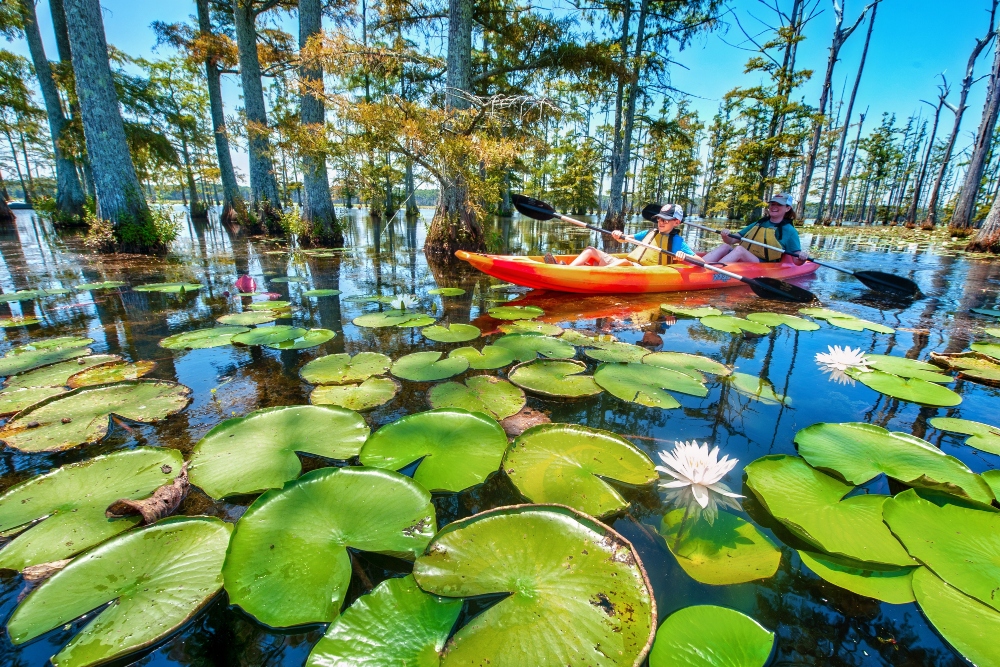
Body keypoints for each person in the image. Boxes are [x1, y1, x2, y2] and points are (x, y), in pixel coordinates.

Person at [544, 204, 694, 267]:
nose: (661, 222)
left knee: (624, 262)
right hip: (627, 264)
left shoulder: (676, 241)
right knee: (590, 250)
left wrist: (684, 256)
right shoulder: (650, 232)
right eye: (659, 219)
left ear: (676, 222)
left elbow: (698, 260)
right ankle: (568, 269)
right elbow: (628, 238)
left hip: (643, 270)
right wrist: (619, 235)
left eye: (665, 220)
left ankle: (592, 273)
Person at [701, 194, 809, 264]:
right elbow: (732, 240)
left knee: (739, 250)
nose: (774, 207)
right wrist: (725, 236)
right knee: (725, 246)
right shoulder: (759, 223)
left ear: (787, 208)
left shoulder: (790, 231)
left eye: (779, 205)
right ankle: (697, 264)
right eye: (772, 204)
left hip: (764, 263)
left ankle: (713, 272)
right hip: (746, 257)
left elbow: (796, 261)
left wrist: (802, 257)